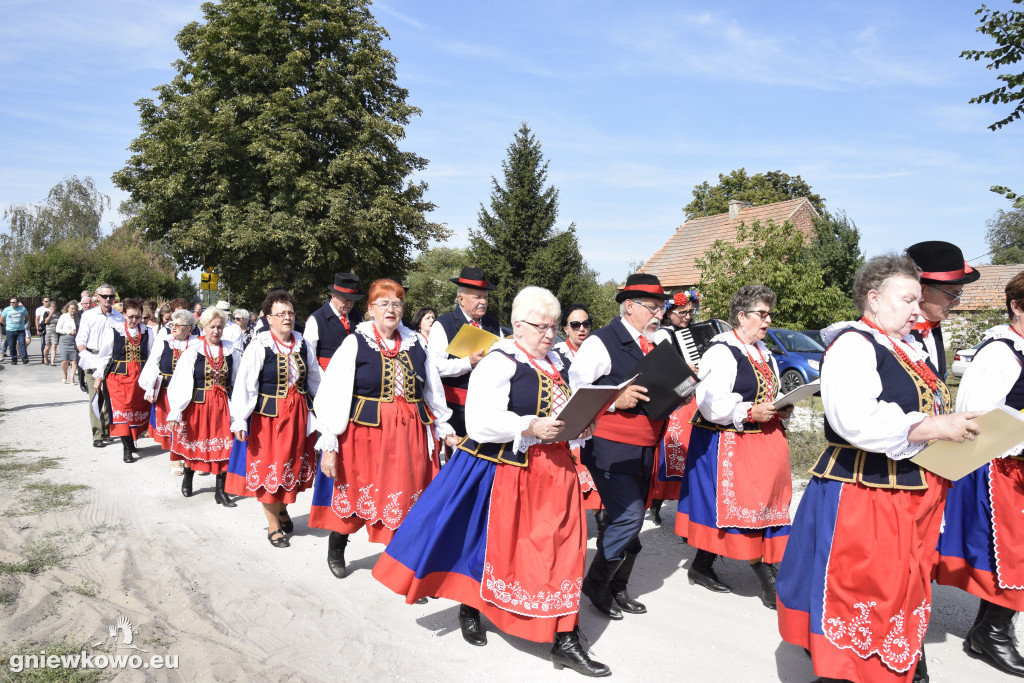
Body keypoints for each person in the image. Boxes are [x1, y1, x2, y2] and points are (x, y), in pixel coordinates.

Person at [374, 286, 609, 677]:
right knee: (497, 548)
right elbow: (481, 421)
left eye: (553, 327)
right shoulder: (500, 362)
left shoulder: (559, 364)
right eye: (541, 327)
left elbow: (565, 413)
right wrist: (529, 425)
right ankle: (473, 604)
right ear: (518, 325)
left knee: (565, 552)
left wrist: (584, 423)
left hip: (558, 471)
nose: (549, 334)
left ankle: (565, 637)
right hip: (511, 471)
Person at [775, 254, 983, 683]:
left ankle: (892, 666)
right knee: (863, 594)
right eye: (907, 299)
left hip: (906, 490)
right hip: (864, 493)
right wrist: (930, 426)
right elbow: (855, 420)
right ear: (873, 298)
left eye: (917, 299)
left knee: (900, 590)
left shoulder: (904, 347)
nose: (915, 308)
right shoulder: (853, 344)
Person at [310, 279, 455, 578]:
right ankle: (337, 545)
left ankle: (401, 565)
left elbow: (432, 391)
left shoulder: (417, 343)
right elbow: (332, 394)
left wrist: (444, 426)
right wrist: (329, 443)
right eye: (384, 303)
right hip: (365, 435)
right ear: (370, 309)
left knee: (406, 498)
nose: (391, 309)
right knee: (356, 495)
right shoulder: (355, 342)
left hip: (411, 434)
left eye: (397, 304)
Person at [674, 285, 792, 610]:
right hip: (733, 439)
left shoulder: (763, 352)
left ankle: (701, 565)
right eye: (762, 314)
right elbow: (710, 402)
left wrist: (781, 407)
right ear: (742, 316)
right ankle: (767, 577)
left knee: (764, 504)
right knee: (746, 507)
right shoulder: (722, 351)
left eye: (769, 314)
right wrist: (749, 411)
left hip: (765, 440)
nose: (768, 320)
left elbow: (770, 391)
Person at [934, 269, 1024, 678]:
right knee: (1010, 555)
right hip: (1000, 466)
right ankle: (993, 633)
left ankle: (989, 629)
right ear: (1017, 306)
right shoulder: (1000, 352)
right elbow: (977, 417)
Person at [568, 273, 671, 622]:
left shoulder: (655, 342)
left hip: (645, 446)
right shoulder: (601, 342)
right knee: (629, 518)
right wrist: (615, 399)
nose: (659, 313)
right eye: (653, 307)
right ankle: (596, 583)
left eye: (662, 307)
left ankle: (616, 586)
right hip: (610, 445)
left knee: (624, 519)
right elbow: (576, 390)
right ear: (629, 307)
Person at [227, 290, 321, 548]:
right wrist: (239, 420)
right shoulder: (259, 345)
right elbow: (245, 386)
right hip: (268, 419)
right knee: (271, 468)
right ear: (269, 318)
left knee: (290, 466)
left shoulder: (302, 344)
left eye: (290, 313)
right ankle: (273, 526)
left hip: (299, 415)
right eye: (281, 314)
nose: (287, 318)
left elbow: (315, 380)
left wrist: (324, 411)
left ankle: (281, 510)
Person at [165, 307, 240, 505]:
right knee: (194, 442)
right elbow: (181, 382)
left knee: (224, 447)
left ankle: (220, 490)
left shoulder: (232, 351)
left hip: (223, 406)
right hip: (198, 405)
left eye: (220, 327)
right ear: (203, 328)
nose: (216, 331)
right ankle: (188, 476)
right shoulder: (193, 351)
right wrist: (176, 411)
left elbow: (238, 381)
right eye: (212, 327)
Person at [428, 267, 502, 438]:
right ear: (461, 299)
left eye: (485, 297)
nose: (483, 301)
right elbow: (434, 367)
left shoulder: (493, 324)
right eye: (477, 297)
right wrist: (467, 363)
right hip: (456, 408)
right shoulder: (443, 324)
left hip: (488, 406)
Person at [649, 290, 700, 525]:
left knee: (690, 453)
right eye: (683, 312)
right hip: (674, 399)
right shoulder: (662, 334)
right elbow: (662, 369)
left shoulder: (690, 334)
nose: (688, 316)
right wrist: (685, 367)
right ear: (669, 312)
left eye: (691, 312)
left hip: (692, 397)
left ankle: (686, 509)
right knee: (671, 453)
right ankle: (657, 499)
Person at [550, 304, 602, 512]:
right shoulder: (556, 355)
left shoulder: (599, 350)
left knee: (597, 481)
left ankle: (602, 527)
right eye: (575, 324)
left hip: (594, 422)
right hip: (569, 424)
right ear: (565, 329)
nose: (581, 329)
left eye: (586, 324)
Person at [92, 298, 154, 464]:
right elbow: (104, 355)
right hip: (118, 378)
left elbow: (152, 357)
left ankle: (132, 441)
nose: (134, 320)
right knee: (123, 411)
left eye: (137, 317)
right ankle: (126, 448)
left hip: (140, 379)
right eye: (130, 316)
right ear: (124, 315)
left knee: (138, 410)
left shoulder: (148, 332)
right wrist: (99, 377)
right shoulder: (114, 330)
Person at [906, 241, 980, 379]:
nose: (957, 302)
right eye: (952, 293)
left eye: (959, 294)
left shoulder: (933, 325)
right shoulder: (890, 334)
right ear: (922, 291)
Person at [140, 309, 197, 474]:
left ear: (189, 328)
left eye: (179, 325)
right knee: (174, 424)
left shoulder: (196, 343)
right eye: (172, 324)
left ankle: (192, 457)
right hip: (167, 388)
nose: (173, 327)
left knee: (189, 424)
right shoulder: (164, 340)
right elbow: (153, 363)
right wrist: (149, 386)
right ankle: (176, 460)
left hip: (190, 389)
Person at [76, 284, 124, 446]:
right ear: (97, 297)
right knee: (96, 396)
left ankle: (107, 429)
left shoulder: (119, 317)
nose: (108, 299)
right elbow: (81, 340)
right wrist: (86, 356)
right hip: (93, 358)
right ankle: (97, 434)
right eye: (105, 296)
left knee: (110, 396)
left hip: (111, 361)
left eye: (111, 296)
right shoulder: (89, 316)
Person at [304, 273, 363, 370]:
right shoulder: (315, 319)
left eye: (352, 301)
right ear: (334, 296)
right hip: (326, 377)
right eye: (346, 300)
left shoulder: (357, 316)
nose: (349, 305)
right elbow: (310, 358)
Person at [55, 301, 79, 384]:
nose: (73, 310)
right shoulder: (63, 317)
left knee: (74, 360)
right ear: (67, 308)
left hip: (75, 340)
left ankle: (72, 378)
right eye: (72, 309)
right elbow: (58, 329)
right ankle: (65, 373)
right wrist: (69, 332)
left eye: (75, 309)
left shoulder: (78, 317)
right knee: (65, 360)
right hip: (65, 339)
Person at [2, 297, 31, 365]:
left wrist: (23, 323)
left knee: (22, 344)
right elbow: (2, 319)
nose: (12, 303)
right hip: (10, 331)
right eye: (10, 302)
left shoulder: (22, 309)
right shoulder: (7, 309)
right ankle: (14, 359)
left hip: (20, 330)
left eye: (13, 302)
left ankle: (24, 358)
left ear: (17, 303)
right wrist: (6, 325)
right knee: (12, 346)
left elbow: (27, 317)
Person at [35, 296, 52, 363]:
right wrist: (38, 329)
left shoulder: (51, 309)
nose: (48, 302)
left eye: (48, 301)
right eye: (46, 301)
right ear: (42, 302)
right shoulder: (39, 309)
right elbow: (37, 319)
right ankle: (44, 357)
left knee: (49, 344)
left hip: (50, 328)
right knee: (43, 343)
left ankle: (47, 356)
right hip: (43, 328)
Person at [43, 301, 58, 366]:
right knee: (47, 347)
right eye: (52, 306)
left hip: (55, 332)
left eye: (54, 306)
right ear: (49, 307)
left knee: (54, 346)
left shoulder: (58, 314)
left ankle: (52, 361)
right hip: (48, 331)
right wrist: (50, 314)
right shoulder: (46, 313)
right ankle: (45, 357)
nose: (53, 308)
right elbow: (46, 321)